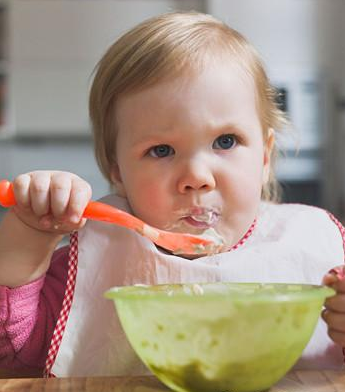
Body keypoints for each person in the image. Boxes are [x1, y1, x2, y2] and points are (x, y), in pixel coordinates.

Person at [0, 11, 345, 378]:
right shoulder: (100, 255)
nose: (196, 177)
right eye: (161, 150)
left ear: (264, 156)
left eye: (225, 141)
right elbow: (14, 358)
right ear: (117, 170)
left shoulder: (309, 246)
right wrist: (30, 237)